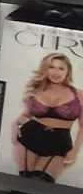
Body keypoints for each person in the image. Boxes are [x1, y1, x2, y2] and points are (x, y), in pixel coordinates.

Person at [13, 52, 81, 181]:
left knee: (42, 182)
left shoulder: (79, 95)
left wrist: (75, 151)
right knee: (24, 181)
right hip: (29, 137)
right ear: (45, 69)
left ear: (68, 71)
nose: (56, 72)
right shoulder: (36, 90)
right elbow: (26, 115)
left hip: (59, 143)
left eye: (61, 68)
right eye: (51, 67)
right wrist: (14, 124)